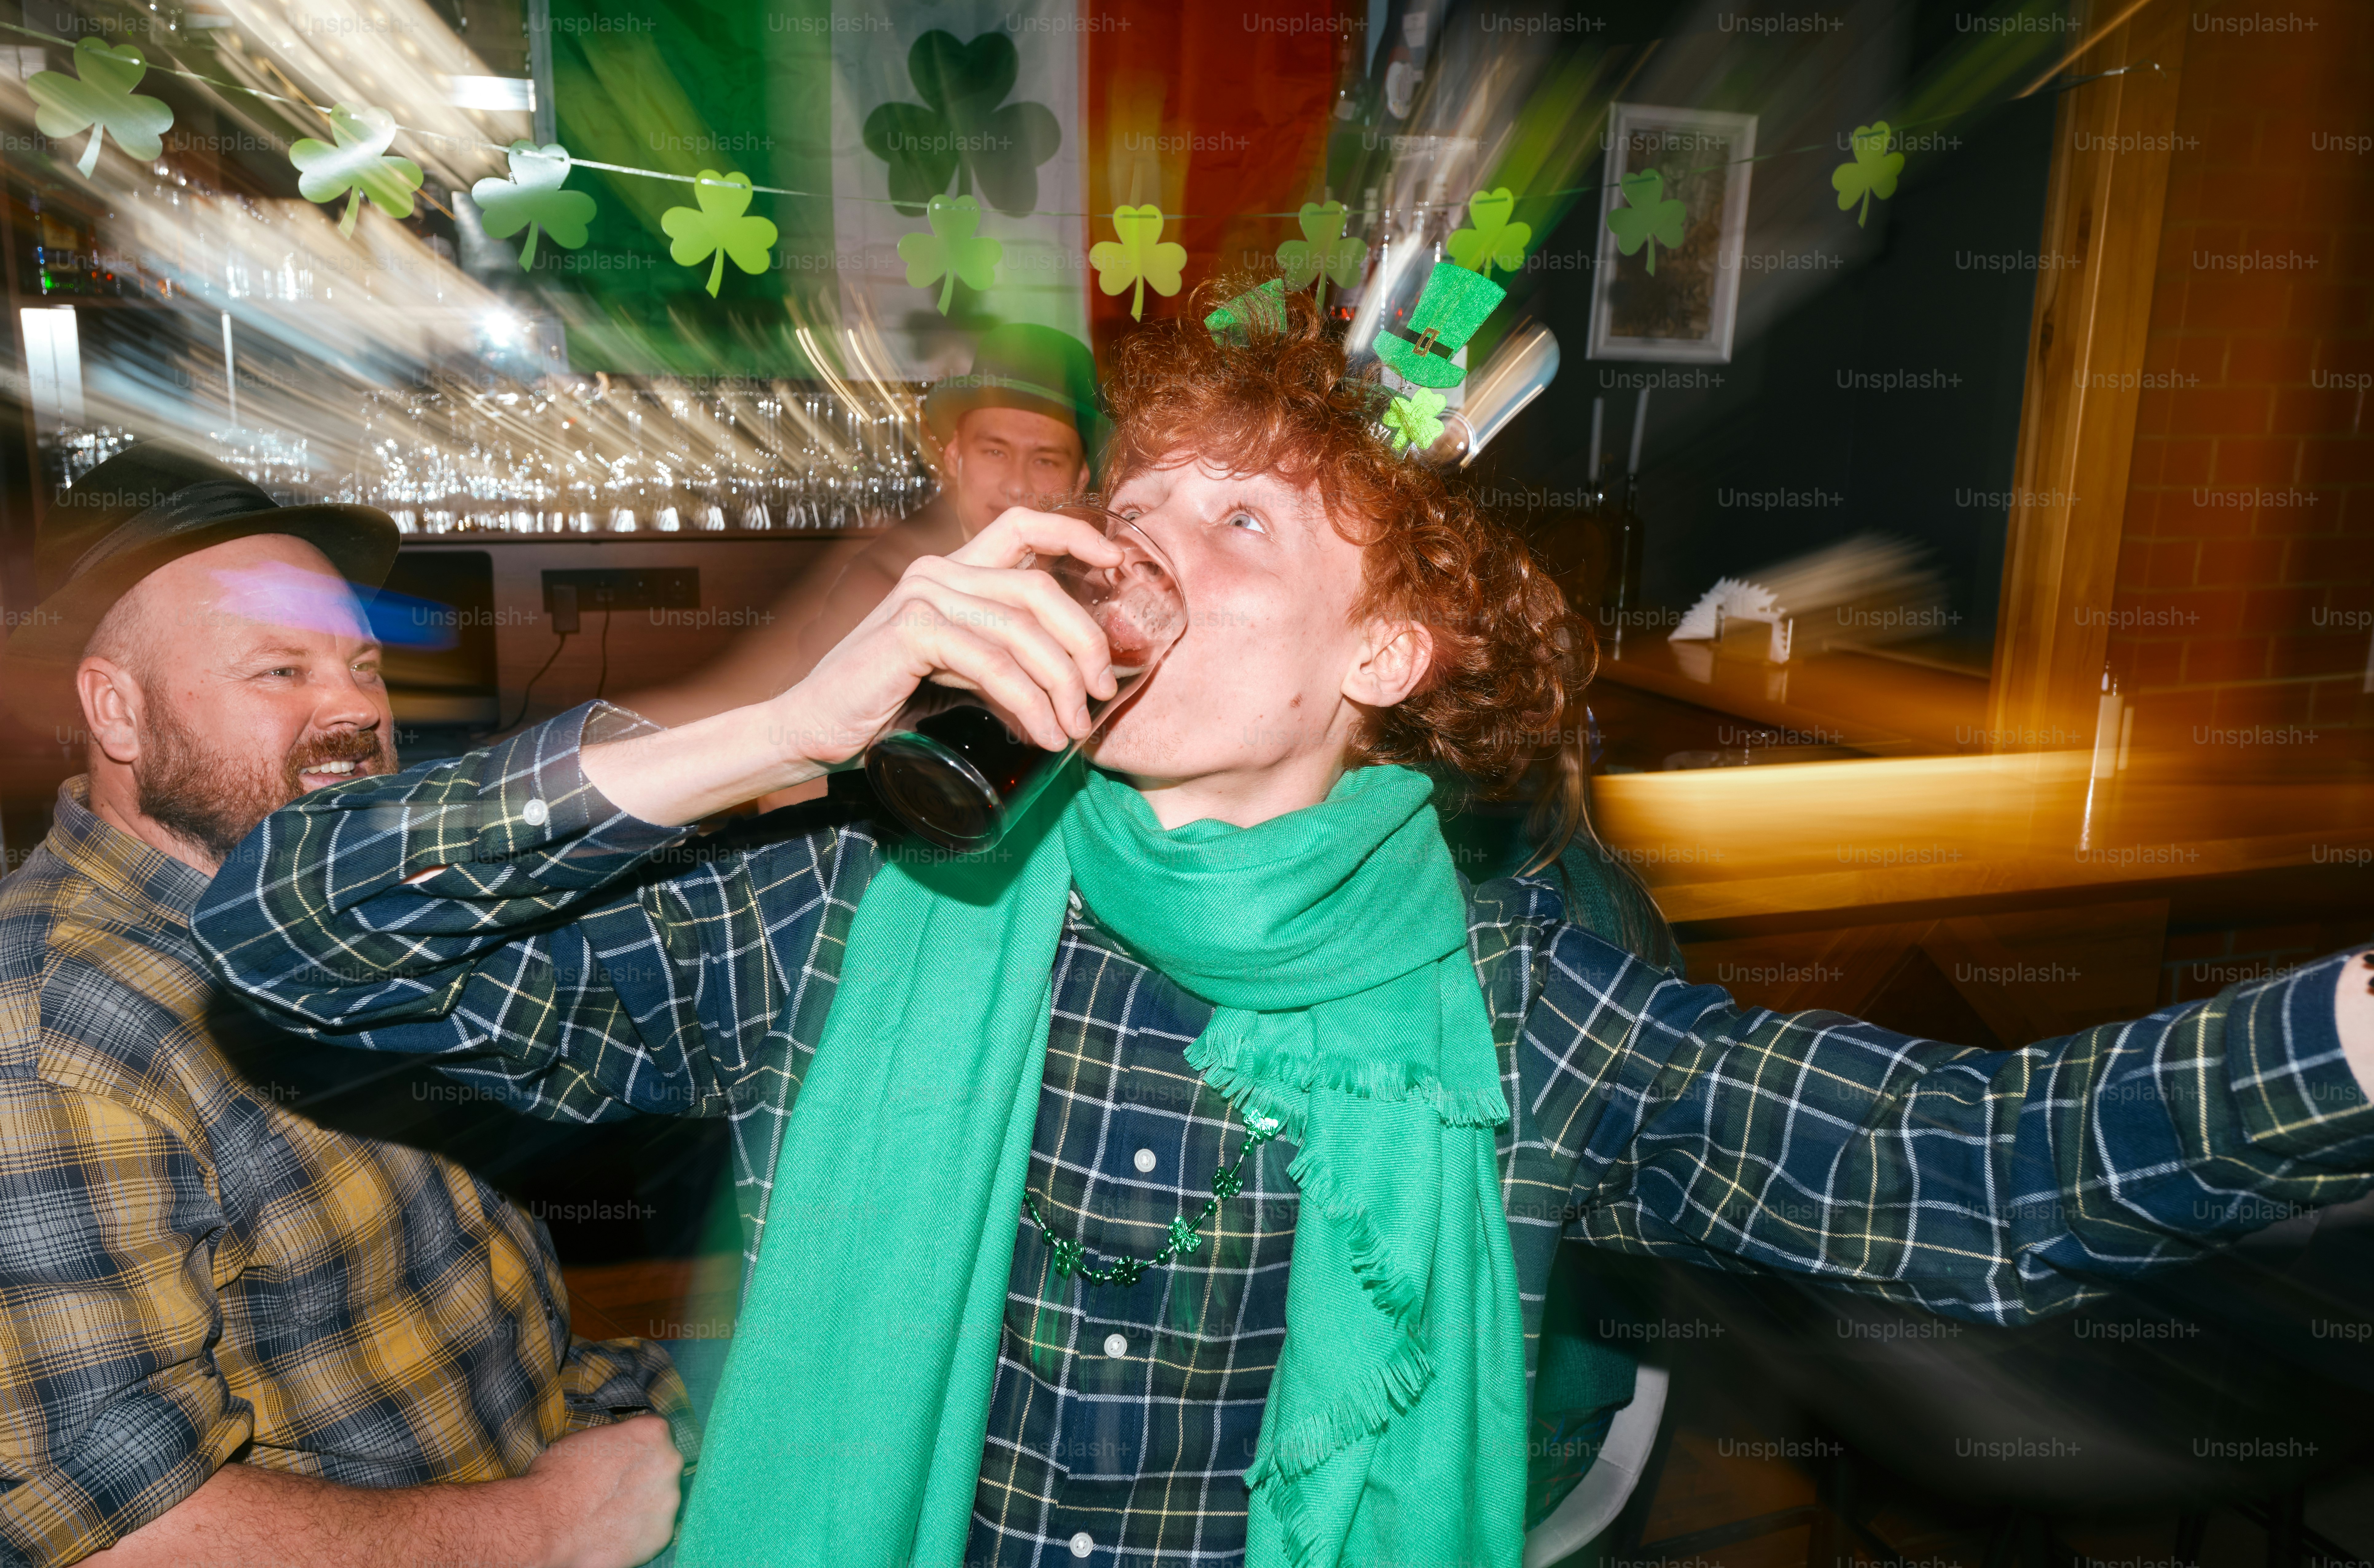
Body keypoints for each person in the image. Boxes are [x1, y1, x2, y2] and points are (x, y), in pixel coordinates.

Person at [193, 288, 2374, 1568]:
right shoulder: (855, 898)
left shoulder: (1519, 1003)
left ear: (1388, 654)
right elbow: (294, 943)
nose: (1142, 555)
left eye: (1242, 524)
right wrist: (759, 728)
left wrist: (2354, 1029)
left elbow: (1961, 1176)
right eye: (1128, 512)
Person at [0, 444, 684, 1568]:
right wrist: (550, 1528)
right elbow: (115, 1535)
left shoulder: (337, 903)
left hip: (584, 1435)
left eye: (363, 668)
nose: (353, 714)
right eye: (281, 673)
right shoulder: (56, 1034)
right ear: (116, 714)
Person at [617, 322, 1107, 761]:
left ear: (1080, 476)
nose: (1017, 485)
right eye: (994, 451)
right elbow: (790, 764)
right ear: (956, 457)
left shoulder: (1102, 597)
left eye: (1045, 460)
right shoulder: (885, 584)